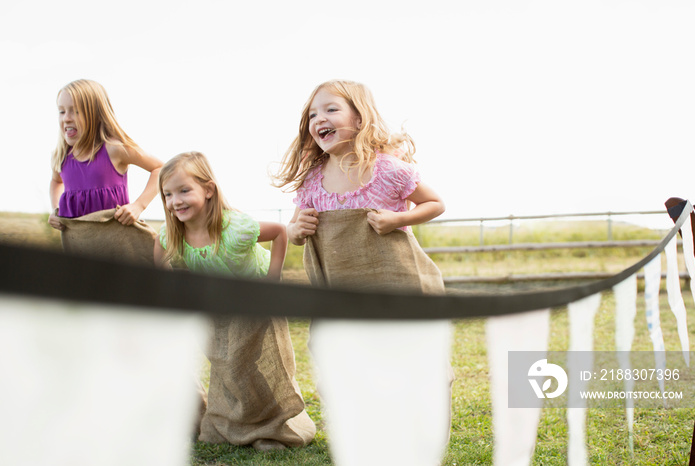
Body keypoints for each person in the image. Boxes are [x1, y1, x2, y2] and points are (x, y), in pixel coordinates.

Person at [272, 79, 454, 466]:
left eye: (331, 109)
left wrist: (399, 218)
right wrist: (296, 229)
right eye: (312, 114)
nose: (319, 118)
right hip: (338, 292)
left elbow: (435, 203)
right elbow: (297, 233)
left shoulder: (388, 170)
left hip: (395, 285)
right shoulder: (311, 181)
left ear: (359, 116)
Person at [154, 151, 316, 451]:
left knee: (257, 364)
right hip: (223, 306)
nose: (175, 201)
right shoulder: (172, 234)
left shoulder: (234, 229)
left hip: (255, 298)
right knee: (228, 365)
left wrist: (273, 280)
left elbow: (279, 232)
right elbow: (159, 261)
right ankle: (233, 423)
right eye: (167, 194)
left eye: (184, 190)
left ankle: (274, 426)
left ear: (208, 190)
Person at [48, 79, 162, 231]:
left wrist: (138, 205)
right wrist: (56, 210)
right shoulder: (62, 156)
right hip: (77, 245)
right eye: (61, 111)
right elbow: (56, 182)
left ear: (96, 114)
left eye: (75, 111)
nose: (66, 118)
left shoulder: (114, 149)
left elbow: (160, 168)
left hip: (116, 242)